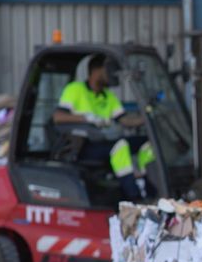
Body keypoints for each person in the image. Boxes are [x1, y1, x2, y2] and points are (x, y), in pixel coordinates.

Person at [52, 54, 154, 200]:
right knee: (120, 146)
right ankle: (134, 196)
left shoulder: (108, 96)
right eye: (109, 71)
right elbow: (58, 117)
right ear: (96, 71)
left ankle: (150, 189)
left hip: (103, 142)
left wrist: (147, 118)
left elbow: (125, 120)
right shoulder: (75, 89)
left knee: (147, 142)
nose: (113, 75)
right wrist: (86, 118)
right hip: (83, 146)